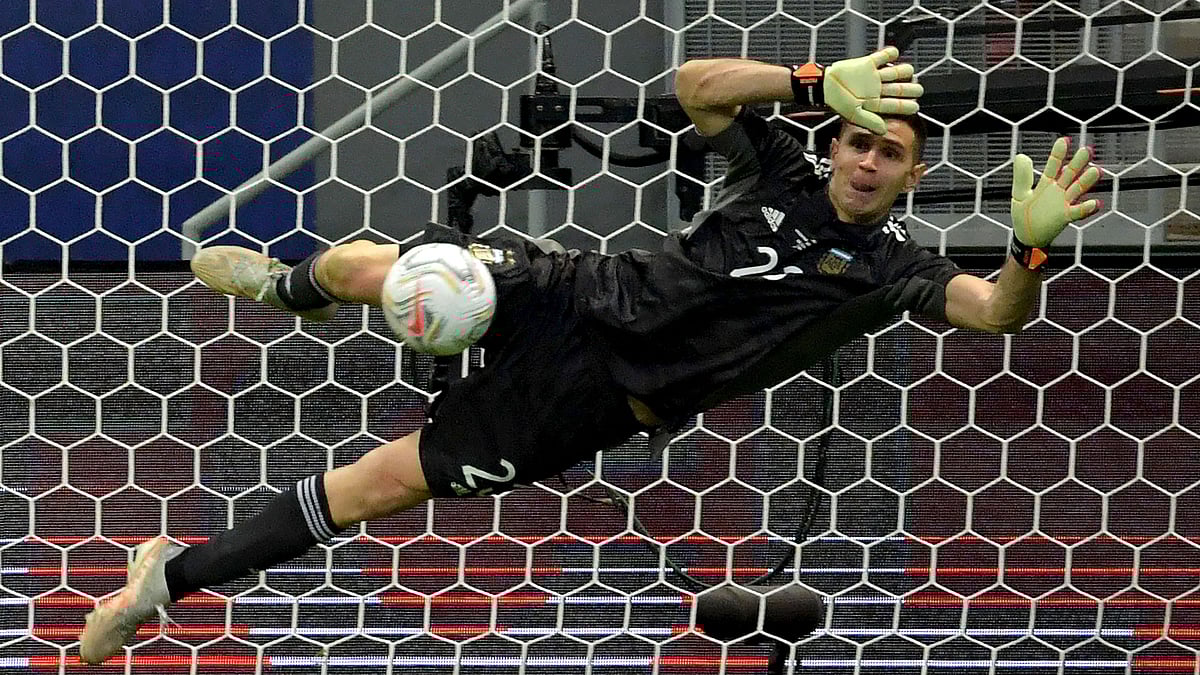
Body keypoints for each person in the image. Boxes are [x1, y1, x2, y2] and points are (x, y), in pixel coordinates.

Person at [78, 46, 1100, 663]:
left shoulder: (890, 267)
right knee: (373, 269)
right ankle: (293, 290)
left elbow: (992, 311)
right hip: (577, 291)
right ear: (836, 140)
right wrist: (804, 77)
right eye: (858, 139)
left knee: (372, 488)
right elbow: (698, 88)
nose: (868, 160)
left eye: (890, 154)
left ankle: (163, 585)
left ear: (913, 177)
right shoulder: (782, 163)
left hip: (601, 400)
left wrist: (1034, 249)